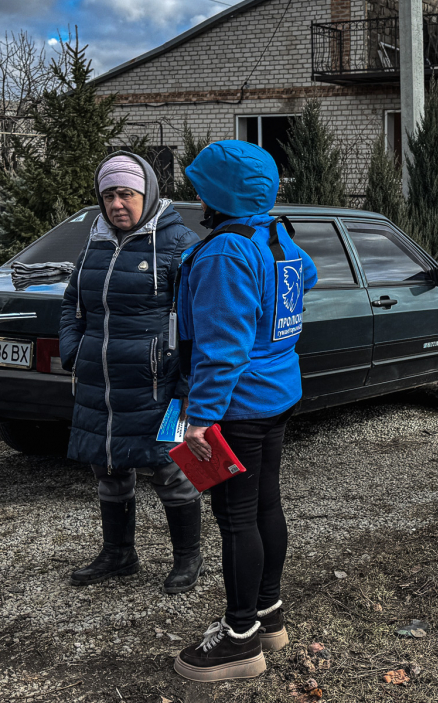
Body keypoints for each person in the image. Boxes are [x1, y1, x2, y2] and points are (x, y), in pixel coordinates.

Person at [171, 140, 316, 683]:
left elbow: (222, 346)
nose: (197, 198)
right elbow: (307, 282)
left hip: (236, 404)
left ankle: (239, 640)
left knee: (236, 519)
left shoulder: (226, 252)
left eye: (201, 188)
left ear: (219, 196)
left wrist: (202, 416)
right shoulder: (276, 236)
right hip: (276, 391)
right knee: (264, 507)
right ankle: (269, 613)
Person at [59, 153, 202, 593]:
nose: (117, 204)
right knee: (107, 465)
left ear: (148, 194)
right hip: (101, 381)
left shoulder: (180, 244)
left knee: (169, 469)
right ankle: (118, 554)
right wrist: (72, 349)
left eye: (126, 194)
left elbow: (197, 320)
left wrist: (187, 382)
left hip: (158, 382)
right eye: (108, 195)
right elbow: (72, 304)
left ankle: (186, 558)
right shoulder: (95, 244)